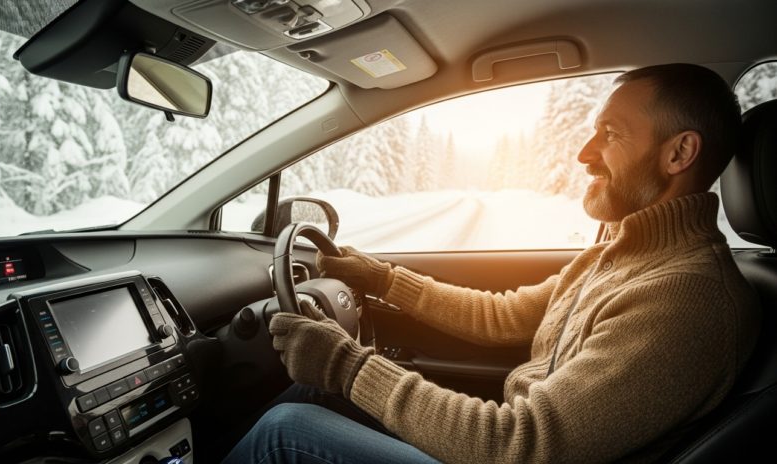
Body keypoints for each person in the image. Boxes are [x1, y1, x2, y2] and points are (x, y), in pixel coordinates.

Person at [222, 63, 762, 463]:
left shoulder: (688, 297)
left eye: (611, 134)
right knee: (317, 389)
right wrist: (383, 278)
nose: (584, 153)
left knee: (284, 433)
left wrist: (349, 364)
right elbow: (501, 316)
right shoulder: (619, 255)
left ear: (678, 154)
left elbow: (522, 443)